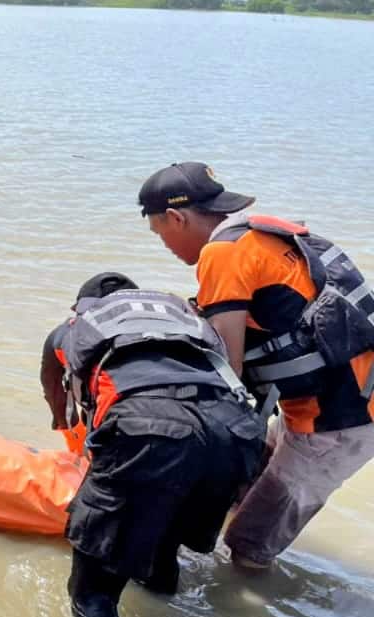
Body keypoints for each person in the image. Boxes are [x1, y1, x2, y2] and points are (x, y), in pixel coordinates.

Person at [140, 162, 374, 571]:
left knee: (249, 547)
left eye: (162, 236)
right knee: (241, 489)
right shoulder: (262, 234)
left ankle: (243, 613)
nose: (167, 248)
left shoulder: (222, 254)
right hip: (337, 395)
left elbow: (225, 372)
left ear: (176, 218)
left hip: (341, 420)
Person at [41, 272, 266, 617]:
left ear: (81, 307)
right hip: (235, 434)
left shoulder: (74, 327)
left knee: (93, 596)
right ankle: (164, 597)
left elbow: (55, 389)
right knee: (163, 548)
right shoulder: (183, 319)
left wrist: (67, 428)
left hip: (150, 429)